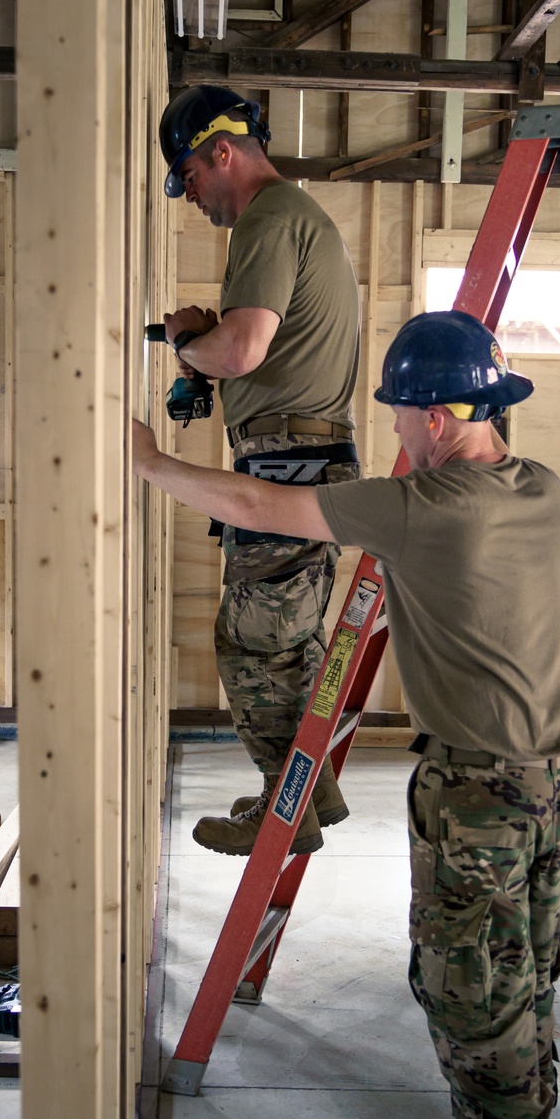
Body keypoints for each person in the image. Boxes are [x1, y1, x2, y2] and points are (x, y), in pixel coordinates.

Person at [132, 310, 560, 1119]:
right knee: (527, 974)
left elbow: (260, 508)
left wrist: (154, 465)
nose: (392, 435)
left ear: (434, 417)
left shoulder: (424, 508)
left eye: (397, 417)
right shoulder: (541, 489)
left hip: (481, 798)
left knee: (470, 995)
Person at [158, 85, 362, 857]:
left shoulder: (269, 218)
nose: (193, 199)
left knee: (250, 650)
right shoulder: (300, 220)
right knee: (288, 648)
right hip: (311, 463)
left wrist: (187, 345)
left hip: (289, 471)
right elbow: (260, 348)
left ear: (221, 152)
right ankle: (308, 796)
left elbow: (241, 351)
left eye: (190, 179)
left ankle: (287, 816)